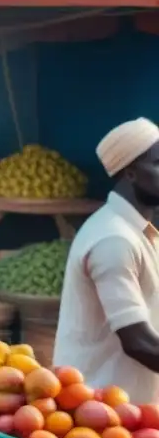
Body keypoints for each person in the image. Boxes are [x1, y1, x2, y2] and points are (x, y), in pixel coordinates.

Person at [55, 117, 159, 402]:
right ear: (131, 173)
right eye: (158, 164)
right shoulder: (114, 240)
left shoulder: (141, 233)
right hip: (102, 414)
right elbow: (138, 341)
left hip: (135, 410)